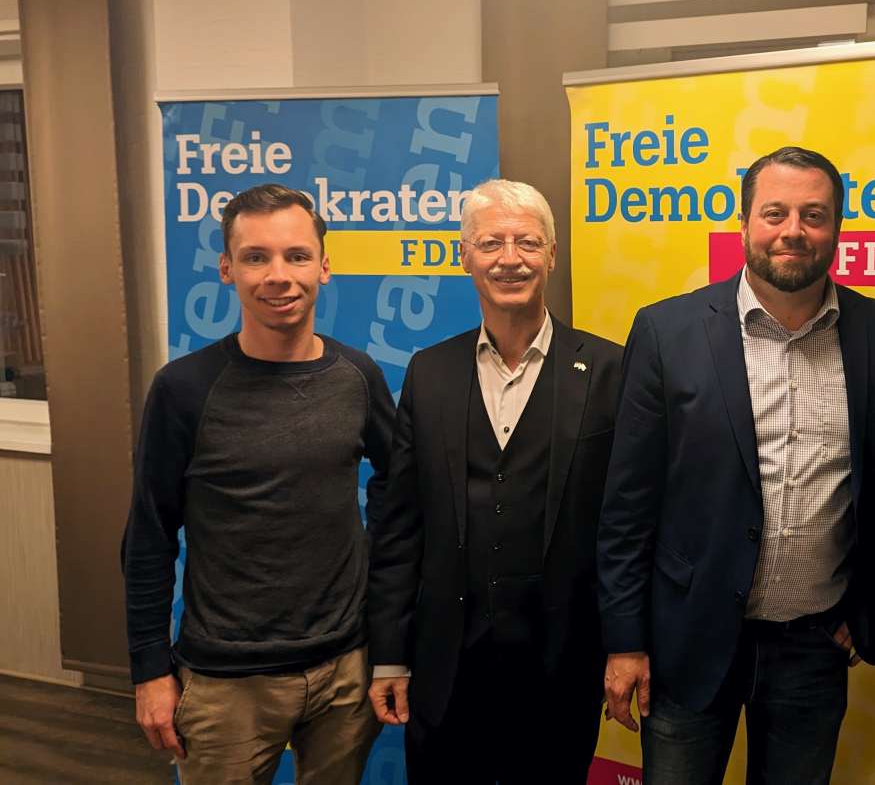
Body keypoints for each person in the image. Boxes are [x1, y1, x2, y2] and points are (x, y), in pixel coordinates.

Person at [597, 146, 875, 784]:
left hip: (815, 643)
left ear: (836, 228)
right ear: (745, 223)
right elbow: (627, 503)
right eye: (774, 213)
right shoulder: (667, 331)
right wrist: (625, 640)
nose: (792, 231)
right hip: (687, 639)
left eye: (813, 215)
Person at [122, 183, 392, 783]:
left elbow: (400, 489)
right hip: (225, 683)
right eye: (255, 257)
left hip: (346, 671)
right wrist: (149, 670)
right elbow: (148, 537)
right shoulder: (182, 389)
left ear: (324, 266)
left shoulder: (358, 376)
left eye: (297, 256)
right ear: (227, 269)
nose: (279, 276)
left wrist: (374, 590)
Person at [366, 179, 623, 783]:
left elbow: (628, 525)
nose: (511, 259)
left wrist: (627, 642)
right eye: (491, 243)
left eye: (527, 242)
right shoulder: (429, 372)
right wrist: (389, 654)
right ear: (465, 257)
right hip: (446, 666)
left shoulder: (610, 369)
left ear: (552, 254)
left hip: (562, 664)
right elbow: (399, 525)